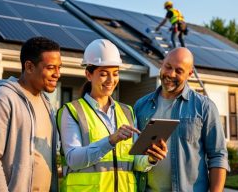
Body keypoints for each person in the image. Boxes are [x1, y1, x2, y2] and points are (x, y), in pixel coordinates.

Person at [57, 39, 168, 192]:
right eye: (103, 74)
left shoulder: (127, 112)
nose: (111, 80)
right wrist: (111, 140)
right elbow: (73, 160)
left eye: (115, 74)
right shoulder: (72, 111)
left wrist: (151, 158)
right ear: (88, 74)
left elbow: (135, 162)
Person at [0, 37, 62, 192]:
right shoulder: (0, 99)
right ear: (29, 67)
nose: (57, 74)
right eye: (51, 67)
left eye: (59, 67)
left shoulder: (46, 103)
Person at [134, 48, 229, 192]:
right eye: (168, 67)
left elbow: (218, 156)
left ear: (189, 74)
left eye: (179, 71)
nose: (171, 74)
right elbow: (134, 154)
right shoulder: (141, 106)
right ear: (162, 64)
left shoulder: (204, 107)